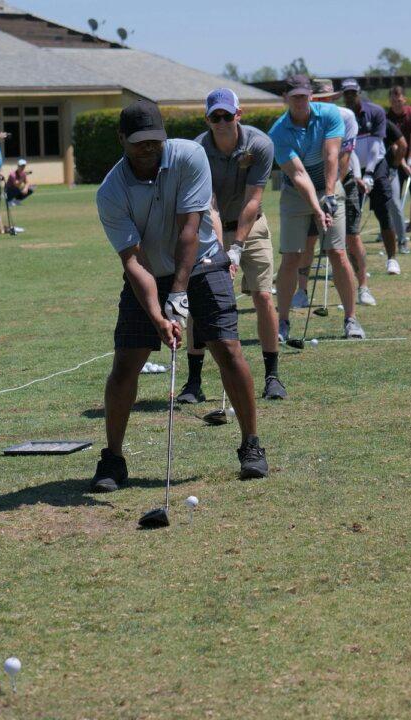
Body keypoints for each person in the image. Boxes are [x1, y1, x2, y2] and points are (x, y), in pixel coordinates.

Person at [92, 100, 268, 488]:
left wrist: (180, 292)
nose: (148, 149)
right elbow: (133, 261)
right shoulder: (111, 192)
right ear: (122, 139)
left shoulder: (190, 156)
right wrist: (158, 314)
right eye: (139, 142)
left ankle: (251, 445)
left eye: (155, 140)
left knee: (227, 348)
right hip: (148, 272)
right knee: (126, 364)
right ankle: (113, 460)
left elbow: (190, 229)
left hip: (203, 263)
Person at [180, 88, 286, 404]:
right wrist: (218, 249)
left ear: (239, 115)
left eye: (228, 115)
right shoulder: (197, 150)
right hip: (210, 226)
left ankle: (272, 376)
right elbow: (208, 203)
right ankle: (193, 382)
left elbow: (254, 199)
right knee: (199, 301)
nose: (222, 121)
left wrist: (237, 247)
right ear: (208, 119)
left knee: (263, 296)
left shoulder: (260, 144)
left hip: (251, 225)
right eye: (216, 117)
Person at [269, 75, 365, 342]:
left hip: (329, 186)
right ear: (286, 98)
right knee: (291, 257)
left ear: (311, 96)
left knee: (337, 252)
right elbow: (298, 174)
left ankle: (351, 320)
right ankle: (283, 322)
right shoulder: (278, 132)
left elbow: (332, 155)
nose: (300, 101)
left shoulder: (330, 114)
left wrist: (330, 196)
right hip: (295, 192)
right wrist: (316, 206)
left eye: (304, 95)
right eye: (295, 96)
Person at [295, 79, 375, 308]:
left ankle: (363, 287)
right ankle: (301, 290)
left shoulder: (346, 117)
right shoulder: (300, 118)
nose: (323, 103)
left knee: (351, 237)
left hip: (343, 182)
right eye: (318, 99)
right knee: (308, 240)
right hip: (310, 185)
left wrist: (329, 194)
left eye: (327, 99)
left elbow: (343, 159)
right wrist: (315, 193)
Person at [342, 77, 404, 278]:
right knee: (351, 220)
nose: (350, 97)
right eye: (346, 93)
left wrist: (369, 174)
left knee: (383, 213)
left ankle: (392, 259)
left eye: (353, 93)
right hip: (353, 170)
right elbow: (348, 150)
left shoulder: (375, 112)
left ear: (358, 93)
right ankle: (358, 266)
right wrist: (358, 176)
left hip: (376, 167)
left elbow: (377, 147)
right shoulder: (341, 117)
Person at [386, 85, 411, 246]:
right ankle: (390, 230)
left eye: (399, 100)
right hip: (395, 160)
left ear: (404, 99)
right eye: (393, 101)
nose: (397, 104)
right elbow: (395, 145)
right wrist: (402, 162)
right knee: (393, 198)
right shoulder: (387, 117)